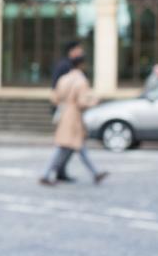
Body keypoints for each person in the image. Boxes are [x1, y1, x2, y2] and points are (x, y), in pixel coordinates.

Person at [41, 55, 108, 186]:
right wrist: (94, 102)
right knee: (66, 146)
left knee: (75, 146)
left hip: (64, 113)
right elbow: (82, 102)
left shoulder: (63, 79)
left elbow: (54, 97)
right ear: (81, 65)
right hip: (74, 117)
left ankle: (95, 173)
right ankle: (46, 174)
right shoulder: (81, 81)